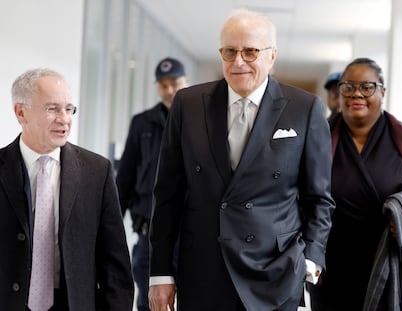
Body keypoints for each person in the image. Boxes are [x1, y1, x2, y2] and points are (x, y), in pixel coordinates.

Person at [148, 9, 335, 311]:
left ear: (272, 55)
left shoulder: (305, 108)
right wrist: (159, 274)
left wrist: (311, 260)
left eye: (250, 52)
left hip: (276, 271)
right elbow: (166, 195)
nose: (238, 62)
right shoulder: (188, 104)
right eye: (229, 51)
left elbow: (319, 199)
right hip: (203, 269)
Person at [0, 68, 134, 310]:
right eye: (52, 109)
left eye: (69, 109)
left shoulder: (97, 172)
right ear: (21, 112)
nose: (64, 119)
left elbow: (116, 267)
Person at [308, 58, 402, 311]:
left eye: (367, 87)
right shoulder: (316, 137)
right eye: (348, 86)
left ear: (382, 92)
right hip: (330, 265)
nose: (357, 93)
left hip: (390, 262)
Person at [116, 57, 188, 311]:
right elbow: (124, 177)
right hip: (148, 236)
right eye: (163, 85)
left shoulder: (200, 121)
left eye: (174, 83)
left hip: (188, 236)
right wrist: (110, 229)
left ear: (186, 82)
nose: (169, 90)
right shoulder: (142, 123)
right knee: (149, 303)